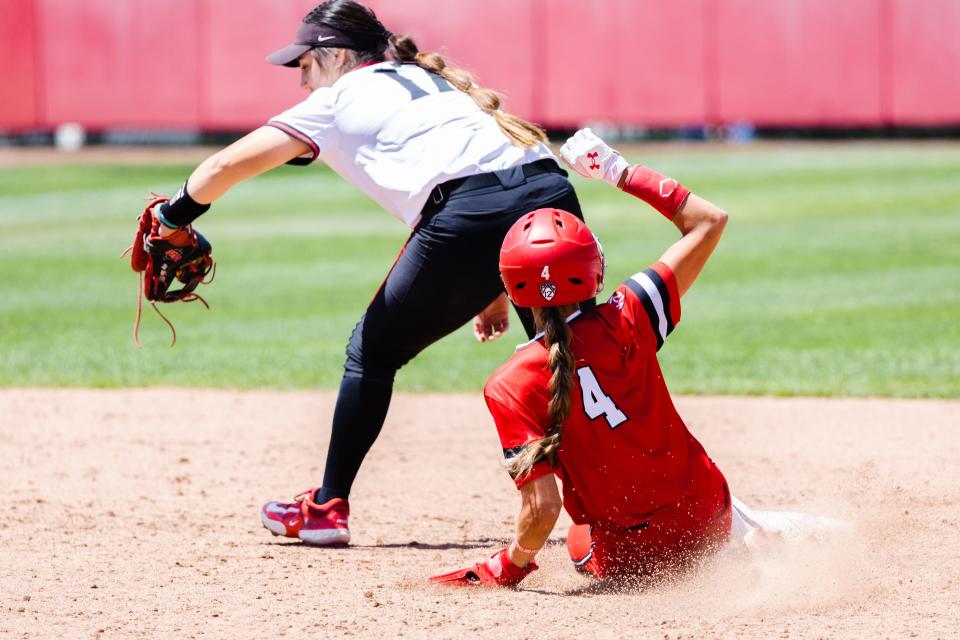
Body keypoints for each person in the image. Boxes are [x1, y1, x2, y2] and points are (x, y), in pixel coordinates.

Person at [145, 0, 584, 545]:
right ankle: (615, 506)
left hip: (471, 212)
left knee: (372, 354)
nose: (303, 81)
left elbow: (222, 166)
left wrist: (171, 216)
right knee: (574, 354)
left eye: (305, 65)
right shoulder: (430, 79)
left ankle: (326, 509)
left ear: (336, 56)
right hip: (550, 190)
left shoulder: (336, 99)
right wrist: (497, 283)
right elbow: (491, 172)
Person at [431, 128, 735, 585]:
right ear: (594, 272)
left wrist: (507, 565)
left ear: (511, 284)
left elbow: (543, 510)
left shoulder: (509, 384)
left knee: (578, 538)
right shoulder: (631, 312)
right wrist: (619, 171)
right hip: (710, 517)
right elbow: (709, 220)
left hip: (636, 555)